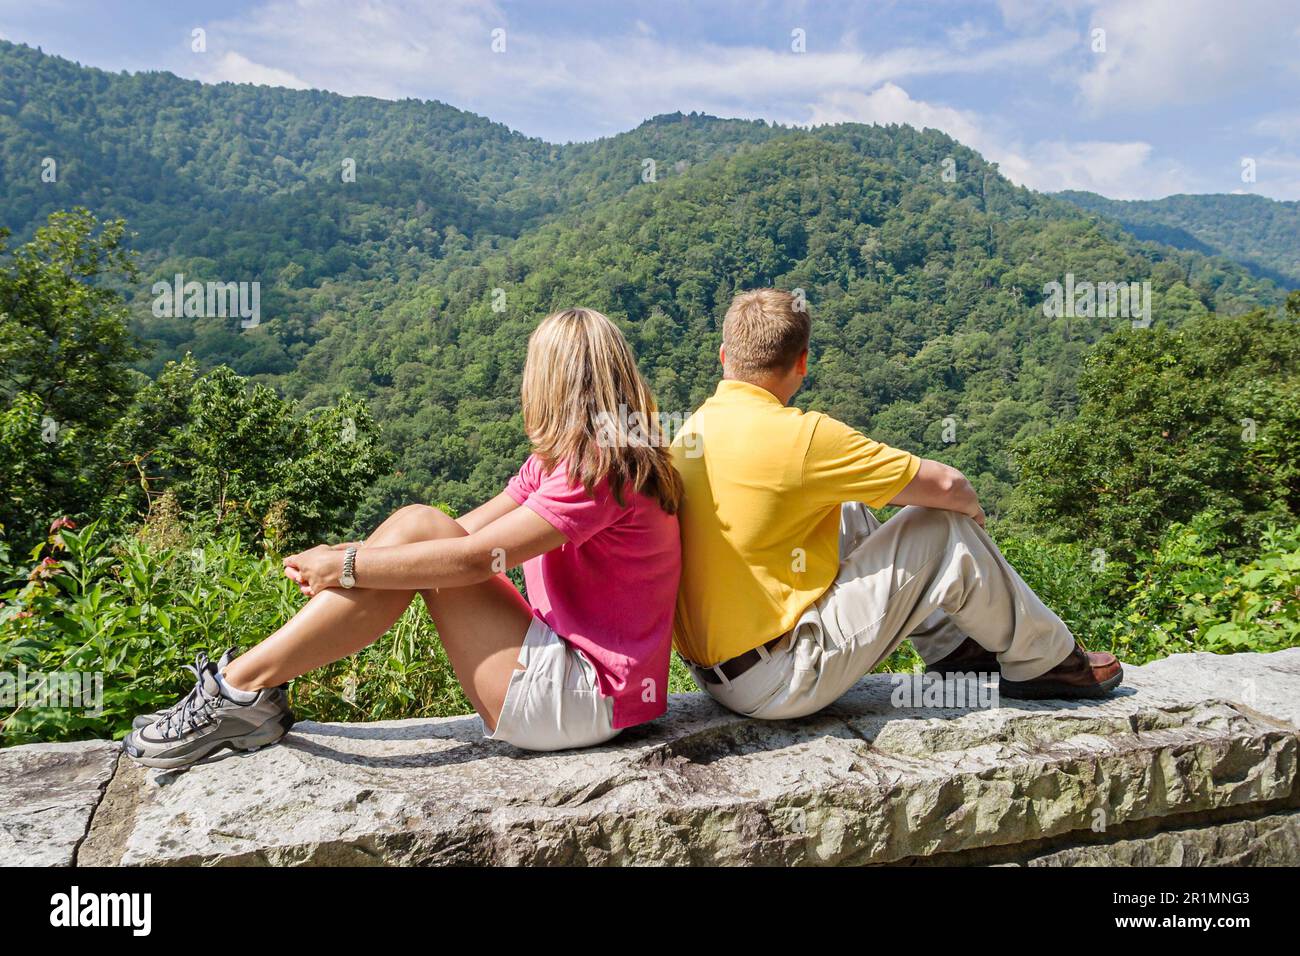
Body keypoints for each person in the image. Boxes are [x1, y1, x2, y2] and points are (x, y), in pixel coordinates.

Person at [123, 308, 682, 769]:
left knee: (417, 531)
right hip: (590, 691)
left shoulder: (602, 473)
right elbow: (459, 535)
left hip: (588, 702)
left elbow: (469, 561)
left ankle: (238, 689)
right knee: (418, 526)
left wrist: (345, 568)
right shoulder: (570, 463)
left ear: (545, 383)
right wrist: (360, 563)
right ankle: (243, 690)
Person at [670, 289, 1122, 721]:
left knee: (843, 506)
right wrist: (974, 522)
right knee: (943, 529)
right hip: (780, 681)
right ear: (802, 363)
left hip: (721, 675)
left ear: (725, 356)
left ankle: (952, 650)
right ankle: (1047, 661)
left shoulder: (689, 433)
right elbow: (949, 486)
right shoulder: (803, 438)